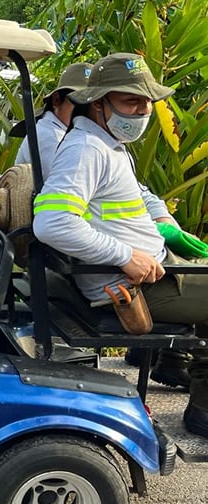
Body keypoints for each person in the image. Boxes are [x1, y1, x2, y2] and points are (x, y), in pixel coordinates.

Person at [31, 52, 208, 438]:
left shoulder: (106, 141)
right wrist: (125, 255)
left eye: (147, 102)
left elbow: (136, 198)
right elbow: (52, 223)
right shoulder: (86, 151)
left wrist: (164, 227)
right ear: (99, 103)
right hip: (131, 285)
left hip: (151, 270)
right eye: (131, 101)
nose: (143, 111)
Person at [13, 62, 92, 181]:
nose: (85, 111)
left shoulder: (57, 131)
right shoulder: (50, 137)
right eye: (79, 103)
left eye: (90, 105)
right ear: (56, 100)